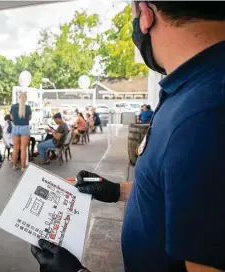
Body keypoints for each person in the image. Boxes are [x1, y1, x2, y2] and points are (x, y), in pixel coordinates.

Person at [32, 2, 225, 272]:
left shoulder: (205, 112)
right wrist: (116, 191)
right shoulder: (192, 88)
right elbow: (178, 192)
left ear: (145, 14)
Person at [10, 92, 32, 171]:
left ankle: (14, 166)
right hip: (25, 128)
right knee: (23, 149)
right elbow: (29, 118)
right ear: (25, 99)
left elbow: (11, 118)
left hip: (15, 128)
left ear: (19, 98)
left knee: (15, 149)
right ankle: (23, 167)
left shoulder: (13, 107)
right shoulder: (28, 107)